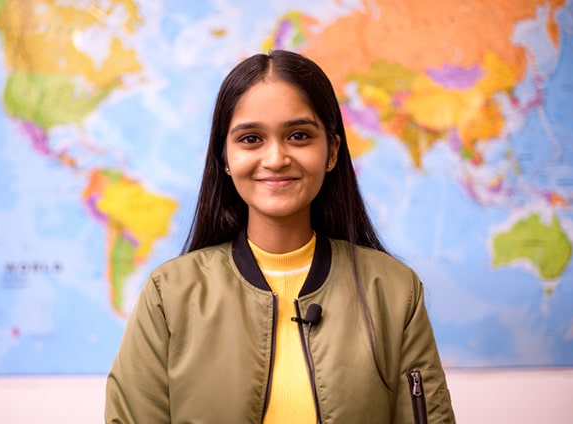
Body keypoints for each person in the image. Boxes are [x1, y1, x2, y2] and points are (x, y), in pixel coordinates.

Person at [105, 49, 455, 423]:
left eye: (299, 135)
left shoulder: (395, 291)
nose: (275, 158)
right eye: (251, 139)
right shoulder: (168, 294)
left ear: (332, 150)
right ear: (224, 156)